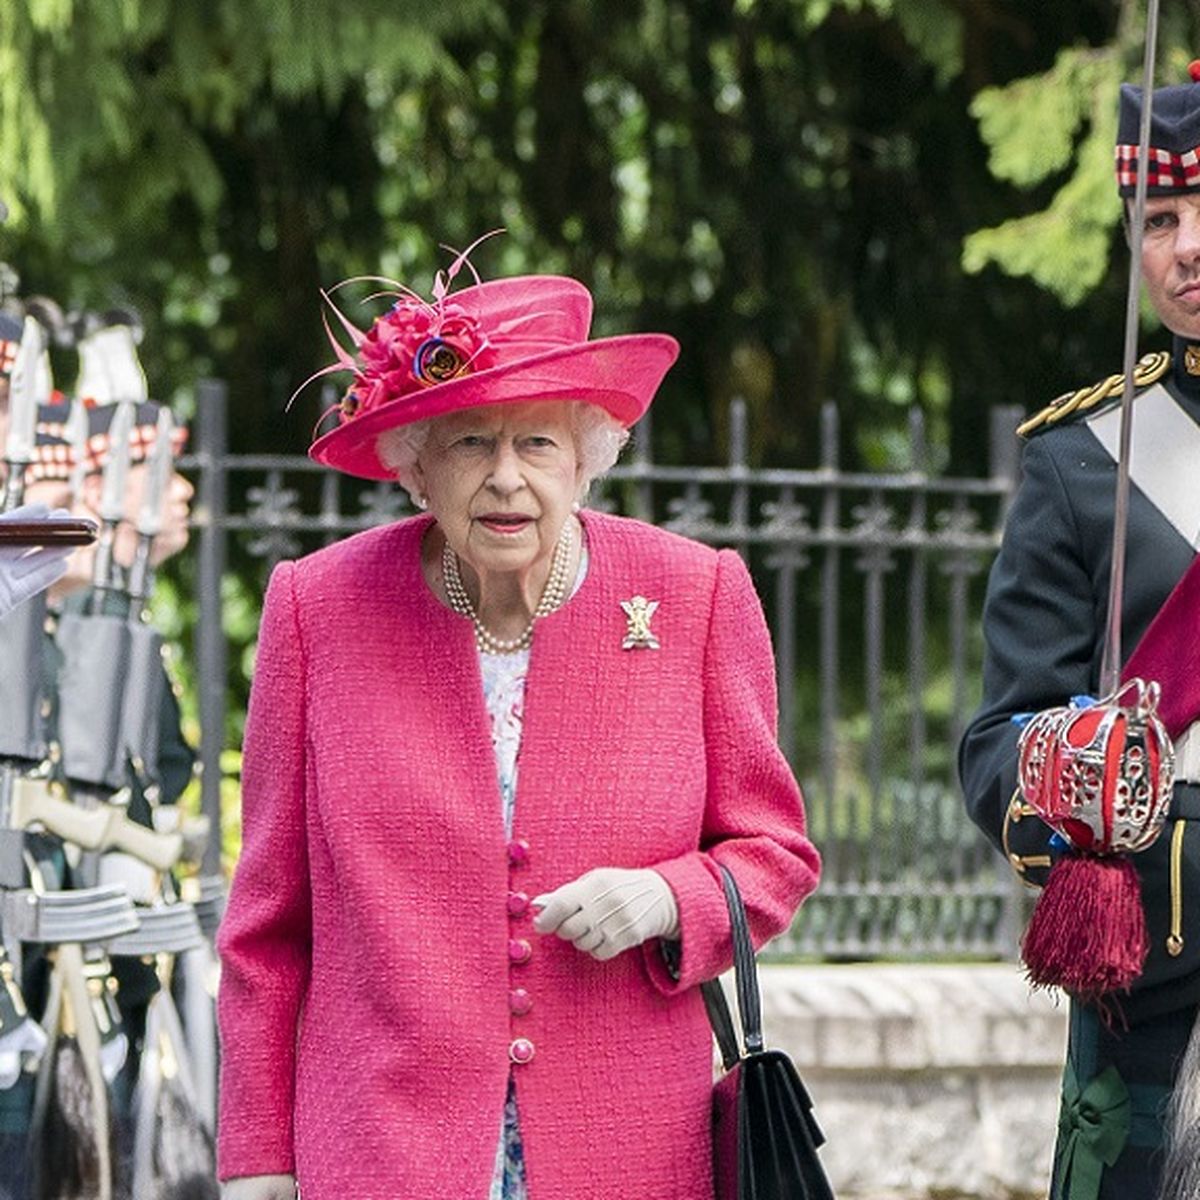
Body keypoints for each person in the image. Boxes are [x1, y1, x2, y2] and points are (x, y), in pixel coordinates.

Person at [216, 265, 820, 1200]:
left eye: (537, 441)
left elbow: (774, 854)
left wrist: (670, 899)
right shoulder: (317, 609)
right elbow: (264, 926)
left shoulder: (696, 594)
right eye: (469, 444)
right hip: (383, 1151)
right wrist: (257, 1158)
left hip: (628, 1149)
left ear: (585, 455)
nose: (507, 478)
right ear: (416, 465)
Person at [959, 69, 1200, 1200]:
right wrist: (1067, 778)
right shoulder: (1081, 462)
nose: (1187, 248)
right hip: (1159, 957)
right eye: (1159, 220)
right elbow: (998, 738)